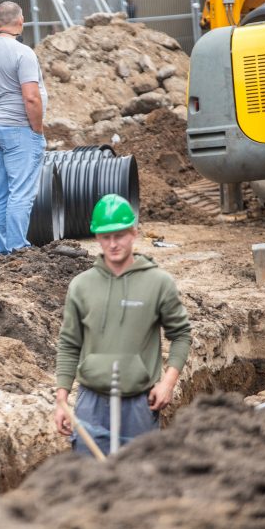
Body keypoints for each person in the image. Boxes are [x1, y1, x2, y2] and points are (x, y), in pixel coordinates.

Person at [54, 194, 192, 456]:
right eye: (106, 236)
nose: (113, 243)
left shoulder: (157, 283)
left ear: (134, 233)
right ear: (97, 237)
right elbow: (69, 344)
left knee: (138, 484)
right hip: (90, 404)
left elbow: (182, 334)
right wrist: (61, 398)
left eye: (120, 235)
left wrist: (168, 383)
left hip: (139, 406)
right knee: (88, 483)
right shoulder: (81, 286)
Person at [0, 1, 48, 255]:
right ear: (21, 21)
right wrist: (36, 129)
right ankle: (18, 249)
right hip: (19, 129)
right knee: (21, 191)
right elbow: (31, 97)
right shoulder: (23, 53)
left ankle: (0, 250)